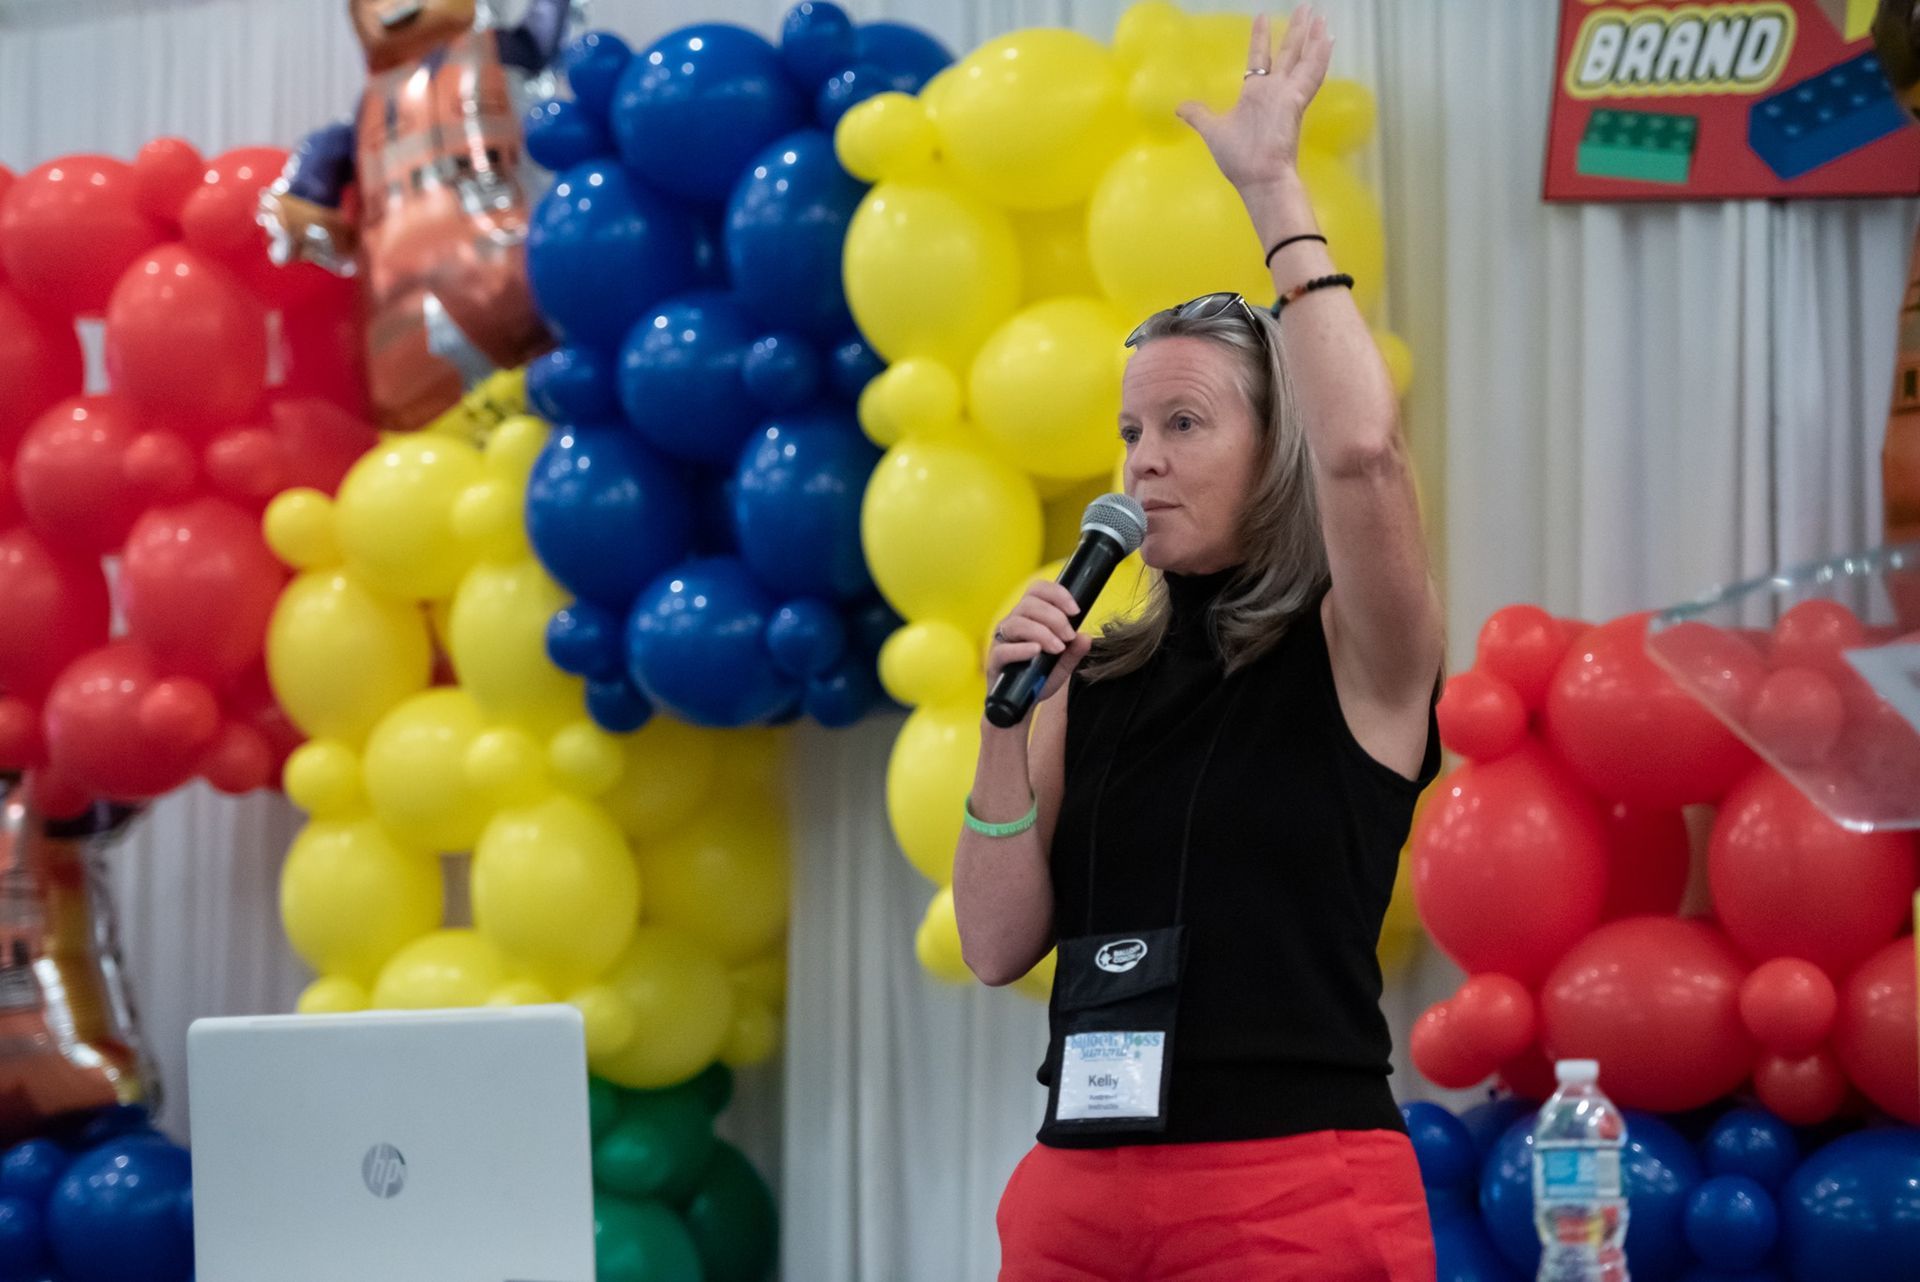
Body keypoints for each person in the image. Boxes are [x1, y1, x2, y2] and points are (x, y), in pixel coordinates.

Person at [952, 8, 1444, 1279]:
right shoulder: (1094, 674)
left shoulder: (1357, 648)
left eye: (1184, 421)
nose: (1144, 458)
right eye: (1130, 432)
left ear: (1268, 449)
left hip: (1287, 1188)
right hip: (1075, 1192)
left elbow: (1365, 452)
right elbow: (998, 942)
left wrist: (1274, 186)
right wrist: (1007, 726)